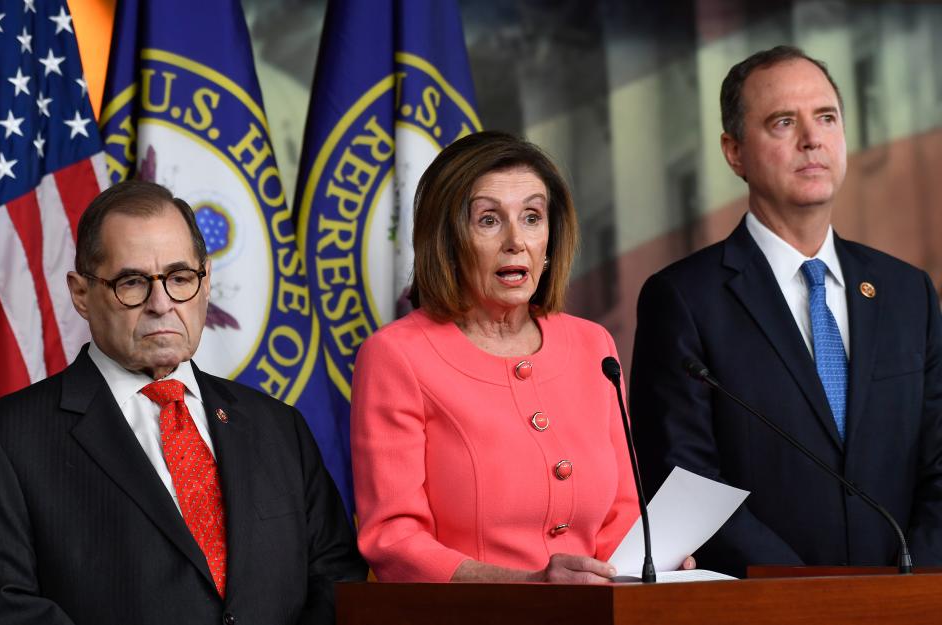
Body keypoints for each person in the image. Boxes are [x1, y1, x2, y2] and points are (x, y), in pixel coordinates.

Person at [0, 180, 366, 624]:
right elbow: (6, 607)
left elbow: (336, 580)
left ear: (205, 282)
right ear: (81, 294)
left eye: (180, 278)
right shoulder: (6, 440)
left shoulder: (280, 427)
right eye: (132, 282)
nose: (161, 304)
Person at [629, 46, 942, 577]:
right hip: (764, 603)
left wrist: (913, 580)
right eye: (782, 122)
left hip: (906, 602)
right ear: (735, 153)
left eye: (826, 117)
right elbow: (687, 481)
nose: (812, 138)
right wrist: (808, 596)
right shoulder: (683, 299)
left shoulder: (908, 291)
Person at [351, 131, 692, 582]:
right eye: (489, 220)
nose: (517, 240)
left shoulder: (594, 346)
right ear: (447, 240)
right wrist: (528, 587)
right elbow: (394, 542)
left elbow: (621, 515)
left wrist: (649, 563)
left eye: (532, 217)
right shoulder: (396, 357)